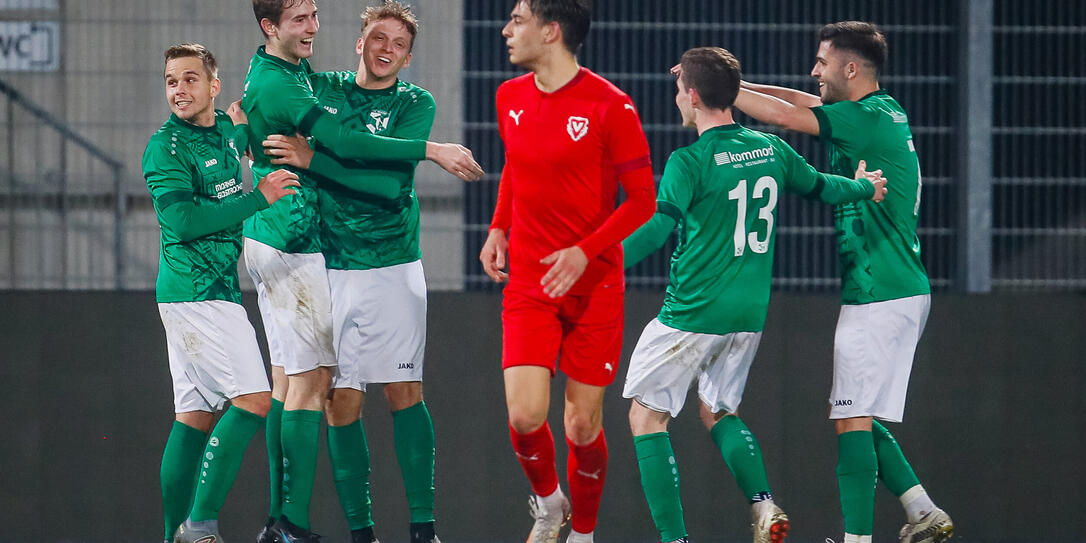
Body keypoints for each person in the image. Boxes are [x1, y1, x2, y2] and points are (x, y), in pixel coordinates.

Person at [623, 47, 888, 543]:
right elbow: (821, 186)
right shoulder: (770, 149)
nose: (677, 97)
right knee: (718, 410)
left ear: (694, 95)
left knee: (647, 415)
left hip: (693, 312)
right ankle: (764, 507)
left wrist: (597, 264)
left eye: (681, 89)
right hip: (748, 314)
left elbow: (659, 229)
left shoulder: (689, 160)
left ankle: (674, 540)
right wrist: (862, 188)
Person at [242, 1, 483, 541]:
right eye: (378, 37)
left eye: (398, 44)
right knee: (337, 401)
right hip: (328, 263)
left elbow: (389, 187)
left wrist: (313, 162)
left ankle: (424, 530)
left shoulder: (415, 102)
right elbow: (260, 106)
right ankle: (362, 533)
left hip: (392, 264)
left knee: (404, 392)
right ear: (359, 42)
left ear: (409, 55)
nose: (387, 49)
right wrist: (243, 129)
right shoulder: (321, 88)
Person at [732, 21, 953, 543]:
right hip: (895, 287)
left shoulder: (864, 119)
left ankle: (857, 540)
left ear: (850, 69)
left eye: (822, 62)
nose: (814, 70)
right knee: (858, 412)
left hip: (882, 291)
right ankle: (921, 509)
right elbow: (797, 101)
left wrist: (722, 87)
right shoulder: (879, 111)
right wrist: (744, 87)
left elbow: (788, 116)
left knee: (851, 419)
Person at [478, 1, 656, 542]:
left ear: (551, 32)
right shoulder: (509, 96)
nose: (507, 30)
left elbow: (642, 201)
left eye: (518, 20)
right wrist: (498, 227)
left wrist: (584, 251)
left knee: (581, 424)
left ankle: (583, 532)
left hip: (595, 283)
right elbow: (516, 163)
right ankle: (549, 503)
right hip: (531, 280)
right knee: (526, 416)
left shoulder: (611, 106)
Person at [143, 43, 300, 543]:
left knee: (194, 414)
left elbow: (231, 135)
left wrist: (235, 123)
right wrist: (259, 197)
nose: (179, 90)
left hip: (207, 292)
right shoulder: (164, 148)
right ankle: (200, 524)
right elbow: (181, 220)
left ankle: (173, 536)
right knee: (254, 399)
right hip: (196, 292)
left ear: (213, 86)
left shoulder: (225, 138)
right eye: (171, 81)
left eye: (190, 79)